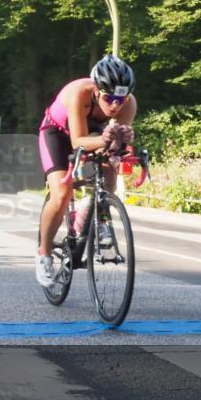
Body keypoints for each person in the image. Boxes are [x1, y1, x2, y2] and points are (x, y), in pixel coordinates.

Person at [35, 54, 137, 286]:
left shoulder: (128, 104)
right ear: (97, 90)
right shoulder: (79, 93)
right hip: (58, 134)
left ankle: (100, 220)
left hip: (95, 134)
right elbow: (77, 141)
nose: (115, 105)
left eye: (121, 99)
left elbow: (114, 147)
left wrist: (121, 142)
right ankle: (44, 255)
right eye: (109, 98)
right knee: (61, 194)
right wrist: (105, 139)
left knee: (110, 168)